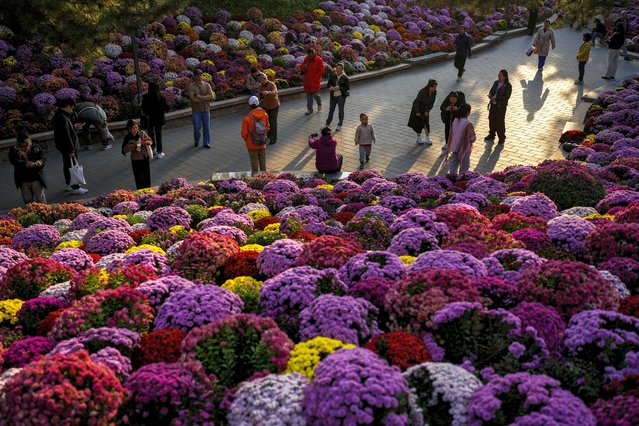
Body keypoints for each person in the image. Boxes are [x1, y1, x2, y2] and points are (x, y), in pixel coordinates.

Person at [53, 98, 88, 195]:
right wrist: (71, 150)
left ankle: (69, 184)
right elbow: (66, 135)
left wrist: (73, 127)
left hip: (64, 146)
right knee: (72, 167)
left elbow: (66, 131)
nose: (72, 110)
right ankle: (75, 187)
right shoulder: (63, 117)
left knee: (67, 165)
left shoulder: (59, 115)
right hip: (68, 147)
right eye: (72, 108)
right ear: (68, 106)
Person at [9, 130, 47, 204]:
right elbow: (14, 161)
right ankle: (32, 214)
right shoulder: (14, 149)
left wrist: (38, 163)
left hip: (36, 177)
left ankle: (43, 214)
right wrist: (24, 164)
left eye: (24, 142)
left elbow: (43, 158)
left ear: (28, 140)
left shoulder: (36, 146)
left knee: (40, 199)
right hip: (23, 180)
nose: (23, 144)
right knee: (28, 200)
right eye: (21, 143)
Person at [241, 96, 270, 175]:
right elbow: (267, 127)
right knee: (262, 159)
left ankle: (255, 175)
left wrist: (247, 140)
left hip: (251, 143)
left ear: (249, 105)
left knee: (254, 160)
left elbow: (244, 133)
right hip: (262, 142)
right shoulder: (265, 115)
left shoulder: (247, 118)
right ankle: (264, 176)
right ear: (258, 104)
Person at [121, 119, 153, 189]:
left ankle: (148, 190)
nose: (135, 129)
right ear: (129, 129)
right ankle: (140, 192)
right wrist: (135, 144)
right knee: (138, 177)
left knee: (146, 176)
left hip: (145, 157)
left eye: (136, 127)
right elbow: (124, 150)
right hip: (136, 160)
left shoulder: (142, 133)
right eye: (133, 128)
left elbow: (150, 141)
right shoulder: (128, 137)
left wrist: (145, 142)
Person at [141, 82, 169, 159]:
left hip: (150, 119)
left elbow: (143, 109)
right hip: (159, 118)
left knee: (150, 134)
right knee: (158, 135)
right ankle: (159, 152)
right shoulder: (161, 97)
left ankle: (153, 148)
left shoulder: (146, 97)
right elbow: (167, 108)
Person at [446, 104, 476, 175]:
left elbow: (451, 133)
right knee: (464, 166)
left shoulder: (455, 120)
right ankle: (462, 180)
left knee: (453, 164)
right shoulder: (468, 124)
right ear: (468, 113)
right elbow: (472, 138)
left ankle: (452, 178)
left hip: (454, 146)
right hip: (464, 148)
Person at [188, 69, 215, 148]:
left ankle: (206, 142)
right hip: (196, 110)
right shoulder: (191, 86)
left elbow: (211, 96)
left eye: (200, 75)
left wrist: (199, 97)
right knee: (197, 127)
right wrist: (205, 98)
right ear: (194, 76)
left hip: (206, 109)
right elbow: (192, 99)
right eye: (197, 75)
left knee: (206, 127)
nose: (199, 76)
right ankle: (196, 140)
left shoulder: (207, 85)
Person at [485, 70, 512, 144]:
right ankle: (492, 134)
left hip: (500, 106)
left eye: (501, 76)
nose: (499, 77)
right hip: (493, 105)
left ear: (505, 77)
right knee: (491, 119)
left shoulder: (508, 86)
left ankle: (501, 137)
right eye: (499, 75)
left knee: (499, 121)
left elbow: (506, 97)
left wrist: (496, 98)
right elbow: (492, 90)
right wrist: (490, 95)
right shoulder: (496, 82)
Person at [407, 79, 437, 145]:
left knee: (426, 123)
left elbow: (432, 103)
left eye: (435, 87)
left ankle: (427, 137)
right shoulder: (422, 91)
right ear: (429, 86)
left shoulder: (434, 92)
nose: (434, 88)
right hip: (418, 108)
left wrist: (427, 110)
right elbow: (417, 102)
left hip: (425, 109)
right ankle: (419, 137)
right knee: (418, 123)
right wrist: (417, 111)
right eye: (433, 87)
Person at [299, 48, 325, 115]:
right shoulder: (306, 59)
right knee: (308, 96)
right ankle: (309, 109)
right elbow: (302, 67)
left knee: (316, 95)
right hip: (307, 80)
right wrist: (303, 67)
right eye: (309, 55)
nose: (309, 57)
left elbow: (321, 70)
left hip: (314, 81)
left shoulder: (319, 60)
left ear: (314, 54)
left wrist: (316, 78)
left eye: (311, 55)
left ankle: (319, 103)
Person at [325, 62, 350, 131]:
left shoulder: (345, 78)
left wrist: (339, 88)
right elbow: (328, 84)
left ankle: (339, 124)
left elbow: (347, 88)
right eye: (337, 68)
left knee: (340, 111)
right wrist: (330, 87)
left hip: (341, 96)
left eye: (340, 69)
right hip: (333, 96)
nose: (338, 70)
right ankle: (327, 123)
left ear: (342, 69)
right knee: (331, 110)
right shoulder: (332, 75)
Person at [257, 73, 280, 145]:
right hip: (266, 106)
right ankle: (269, 134)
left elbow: (275, 92)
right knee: (267, 122)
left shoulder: (272, 84)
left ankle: (273, 139)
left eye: (262, 80)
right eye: (260, 81)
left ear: (265, 78)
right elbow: (260, 96)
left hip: (274, 106)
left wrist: (268, 93)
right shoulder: (260, 87)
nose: (262, 82)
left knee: (273, 123)